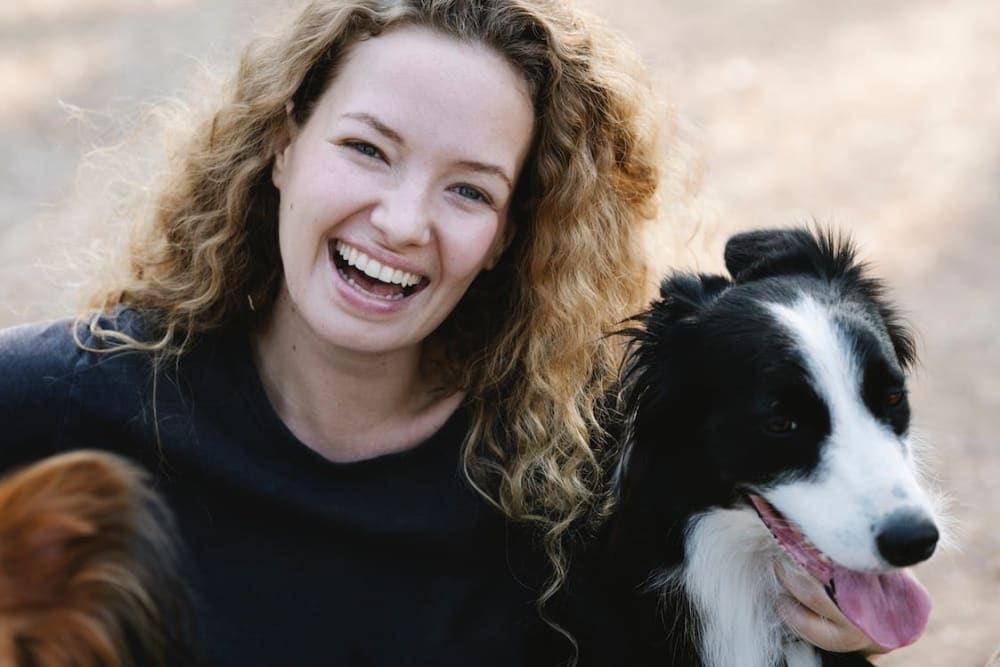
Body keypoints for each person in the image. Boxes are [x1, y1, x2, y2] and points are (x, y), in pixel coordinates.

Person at [0, 0, 893, 664]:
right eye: (366, 149)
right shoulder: (62, 403)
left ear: (510, 232)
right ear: (282, 145)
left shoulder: (594, 475)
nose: (400, 220)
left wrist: (842, 620)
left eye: (468, 189)